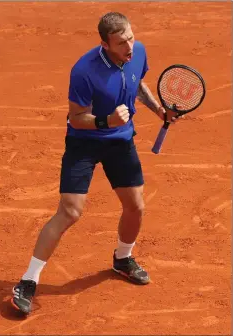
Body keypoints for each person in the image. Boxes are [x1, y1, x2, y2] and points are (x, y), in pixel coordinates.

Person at [11, 12, 178, 315]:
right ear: (105, 44)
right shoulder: (84, 71)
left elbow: (137, 84)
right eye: (121, 42)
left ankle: (122, 259)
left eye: (130, 36)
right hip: (84, 143)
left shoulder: (137, 51)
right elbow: (76, 117)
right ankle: (28, 281)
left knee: (136, 205)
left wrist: (159, 111)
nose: (129, 45)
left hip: (120, 142)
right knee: (70, 211)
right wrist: (106, 120)